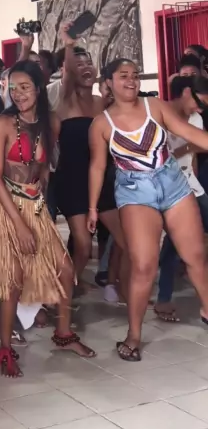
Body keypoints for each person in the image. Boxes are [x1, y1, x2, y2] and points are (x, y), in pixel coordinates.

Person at [0, 60, 95, 378]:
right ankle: (5, 348)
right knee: (11, 279)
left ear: (38, 89)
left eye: (25, 87)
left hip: (33, 203)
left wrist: (39, 208)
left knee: (65, 270)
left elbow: (44, 169)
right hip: (3, 203)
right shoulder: (3, 123)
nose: (18, 93)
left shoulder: (51, 123)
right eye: (13, 88)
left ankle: (63, 334)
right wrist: (20, 224)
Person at [88, 58, 208, 361]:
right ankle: (134, 334)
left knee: (195, 256)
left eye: (135, 75)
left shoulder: (154, 106)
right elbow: (98, 167)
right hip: (134, 192)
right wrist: (92, 207)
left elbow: (189, 133)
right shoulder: (101, 124)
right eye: (123, 75)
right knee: (143, 266)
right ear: (108, 82)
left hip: (173, 183)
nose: (131, 80)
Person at [53, 25, 126, 288]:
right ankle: (64, 291)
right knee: (83, 246)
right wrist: (69, 44)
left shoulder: (101, 103)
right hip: (72, 181)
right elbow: (67, 76)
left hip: (100, 181)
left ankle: (114, 284)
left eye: (88, 63)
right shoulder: (65, 100)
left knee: (125, 240)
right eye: (78, 64)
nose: (84, 67)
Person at [154, 75, 208, 323]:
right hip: (165, 189)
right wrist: (190, 146)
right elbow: (159, 156)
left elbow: (194, 153)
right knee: (174, 245)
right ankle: (164, 298)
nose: (200, 109)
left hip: (191, 186)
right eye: (199, 102)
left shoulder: (195, 118)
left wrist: (188, 150)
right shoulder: (159, 114)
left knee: (177, 243)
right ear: (186, 92)